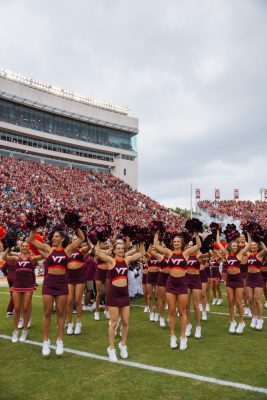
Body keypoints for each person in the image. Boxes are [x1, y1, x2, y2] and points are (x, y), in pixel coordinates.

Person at [28, 227, 84, 356]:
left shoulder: (68, 250)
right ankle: (46, 341)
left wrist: (75, 226)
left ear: (62, 239)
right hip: (49, 283)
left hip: (62, 283)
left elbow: (81, 238)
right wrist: (34, 228)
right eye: (53, 236)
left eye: (57, 236)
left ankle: (60, 341)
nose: (54, 238)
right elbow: (31, 239)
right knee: (47, 312)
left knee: (61, 312)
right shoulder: (48, 249)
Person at [95, 240, 145, 362]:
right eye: (118, 248)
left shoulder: (127, 260)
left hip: (124, 294)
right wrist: (98, 239)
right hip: (114, 294)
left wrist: (141, 239)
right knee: (113, 323)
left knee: (126, 322)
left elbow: (142, 252)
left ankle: (123, 345)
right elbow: (97, 252)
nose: (121, 250)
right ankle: (111, 348)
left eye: (122, 248)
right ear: (114, 250)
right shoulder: (111, 261)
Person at [154, 232, 201, 350]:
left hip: (182, 283)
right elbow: (156, 245)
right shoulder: (169, 253)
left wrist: (195, 233)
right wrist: (156, 233)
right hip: (170, 283)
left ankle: (183, 337)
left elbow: (198, 245)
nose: (176, 243)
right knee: (171, 311)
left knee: (182, 311)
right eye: (174, 241)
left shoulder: (186, 253)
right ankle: (173, 336)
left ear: (181, 243)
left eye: (178, 241)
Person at [2, 242, 42, 343]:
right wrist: (8, 247)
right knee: (16, 308)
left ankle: (24, 330)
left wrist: (36, 247)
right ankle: (15, 331)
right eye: (23, 246)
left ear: (29, 248)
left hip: (28, 285)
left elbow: (43, 256)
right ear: (21, 247)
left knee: (25, 308)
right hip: (17, 284)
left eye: (27, 246)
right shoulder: (17, 258)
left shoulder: (32, 258)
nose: (24, 247)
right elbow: (4, 257)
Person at [216, 231, 251, 334]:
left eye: (236, 246)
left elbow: (248, 244)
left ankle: (241, 322)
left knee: (239, 301)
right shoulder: (226, 254)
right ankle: (232, 321)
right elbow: (218, 243)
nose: (235, 247)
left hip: (238, 279)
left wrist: (248, 232)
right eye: (233, 246)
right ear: (230, 246)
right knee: (231, 301)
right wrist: (218, 231)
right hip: (230, 280)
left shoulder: (240, 254)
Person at [66, 238, 91, 335]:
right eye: (73, 239)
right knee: (69, 301)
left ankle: (78, 322)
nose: (75, 241)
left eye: (77, 239)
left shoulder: (81, 250)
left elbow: (89, 247)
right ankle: (69, 323)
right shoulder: (67, 250)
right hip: (69, 276)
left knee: (78, 300)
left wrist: (87, 237)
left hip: (79, 276)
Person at [246, 241, 267, 330]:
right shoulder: (248, 254)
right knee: (250, 299)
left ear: (258, 247)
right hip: (249, 278)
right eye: (252, 245)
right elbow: (244, 248)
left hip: (258, 278)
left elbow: (265, 250)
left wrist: (260, 240)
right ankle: (254, 317)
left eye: (255, 245)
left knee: (257, 300)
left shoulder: (259, 255)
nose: (253, 246)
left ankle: (260, 319)